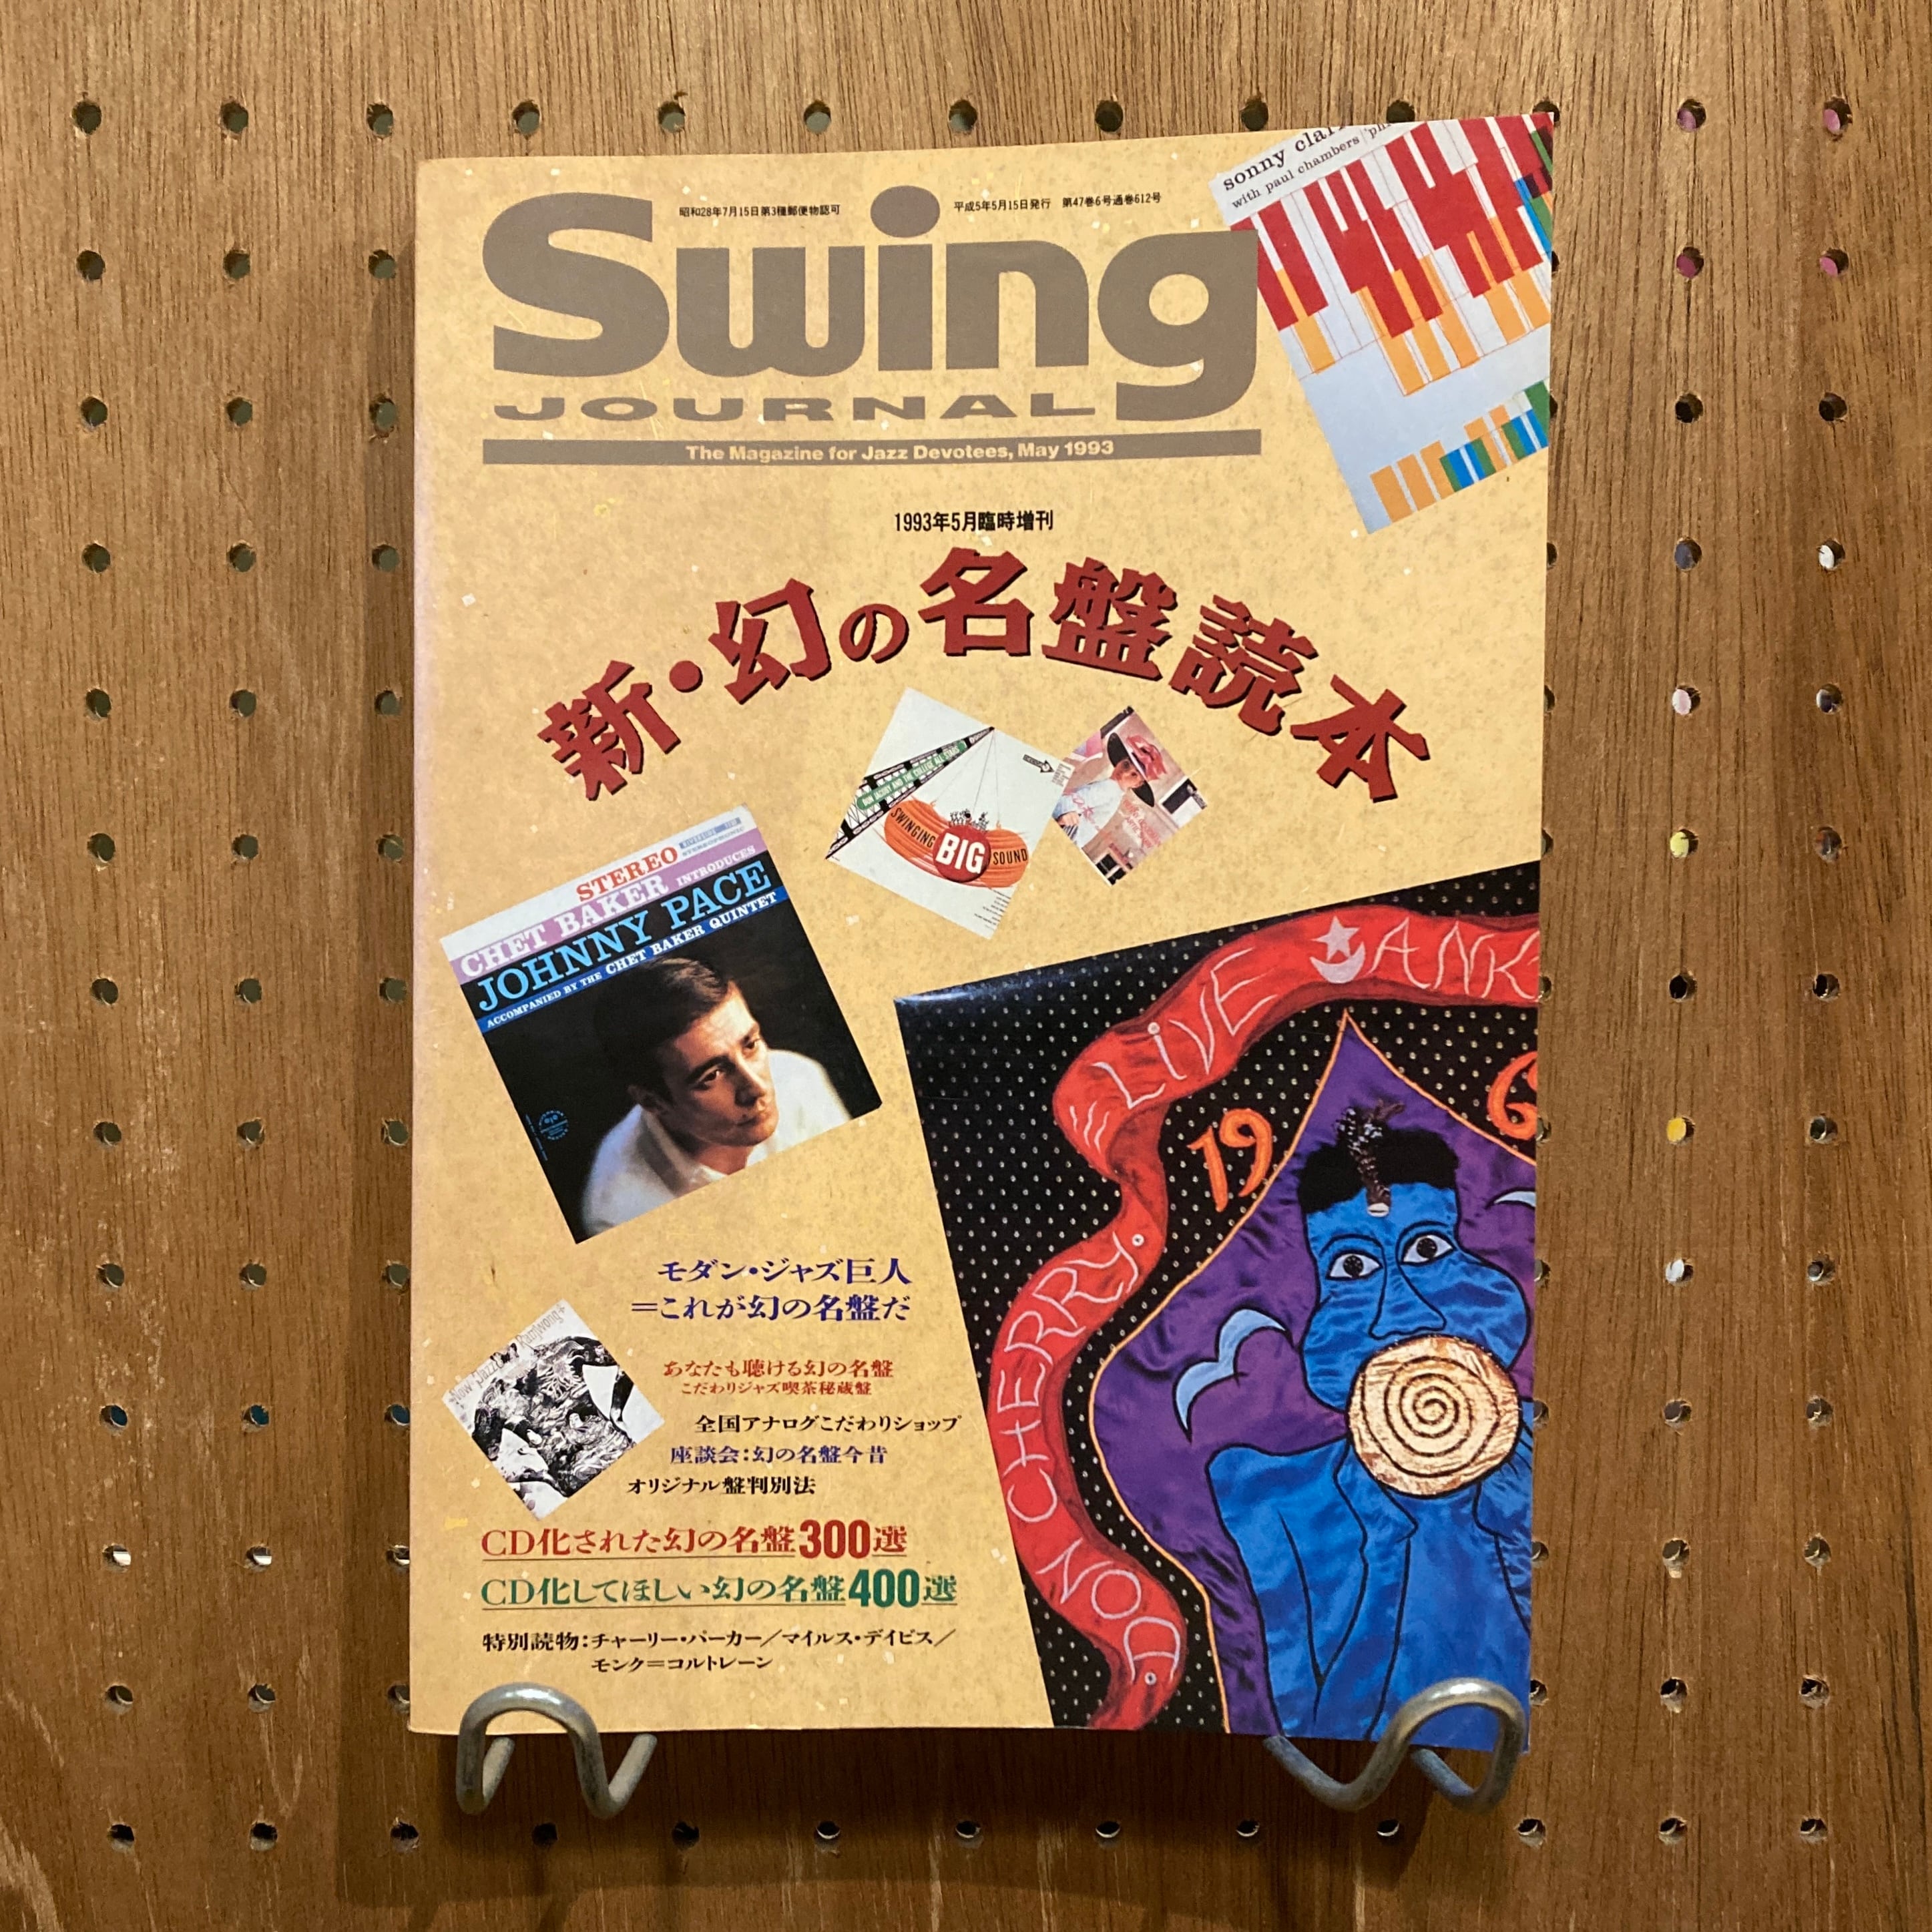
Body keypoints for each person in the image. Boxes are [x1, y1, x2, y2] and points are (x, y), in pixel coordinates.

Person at [1202, 1106, 1532, 1746]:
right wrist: (1387, 1541)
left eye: (1428, 1250)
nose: (1398, 1312)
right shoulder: (1271, 1497)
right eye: (1352, 1268)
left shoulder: (1539, 1462)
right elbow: (1323, 1733)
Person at [581, 955, 849, 1235]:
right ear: (653, 1102)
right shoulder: (617, 1212)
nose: (757, 1088)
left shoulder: (800, 1079)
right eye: (712, 1076)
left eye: (750, 1045)